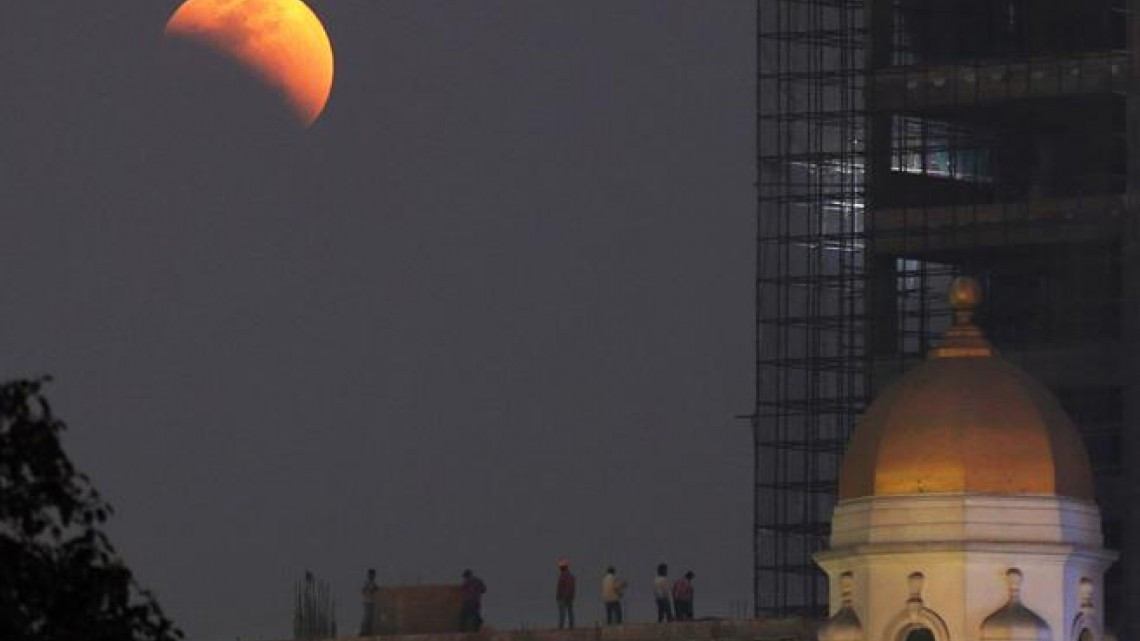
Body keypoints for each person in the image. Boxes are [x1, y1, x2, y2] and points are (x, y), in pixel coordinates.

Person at [555, 558, 576, 629]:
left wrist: (558, 596)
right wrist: (572, 595)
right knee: (570, 612)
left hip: (563, 597)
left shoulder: (562, 576)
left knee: (562, 613)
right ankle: (572, 626)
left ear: (562, 567)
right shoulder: (571, 576)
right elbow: (573, 587)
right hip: (570, 597)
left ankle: (561, 626)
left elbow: (560, 587)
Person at [360, 568, 380, 635]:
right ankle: (364, 632)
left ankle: (369, 632)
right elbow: (363, 590)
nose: (373, 576)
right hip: (367, 602)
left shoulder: (373, 583)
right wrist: (370, 590)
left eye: (373, 575)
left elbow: (376, 589)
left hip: (372, 602)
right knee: (366, 618)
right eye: (371, 575)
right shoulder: (366, 582)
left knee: (370, 618)